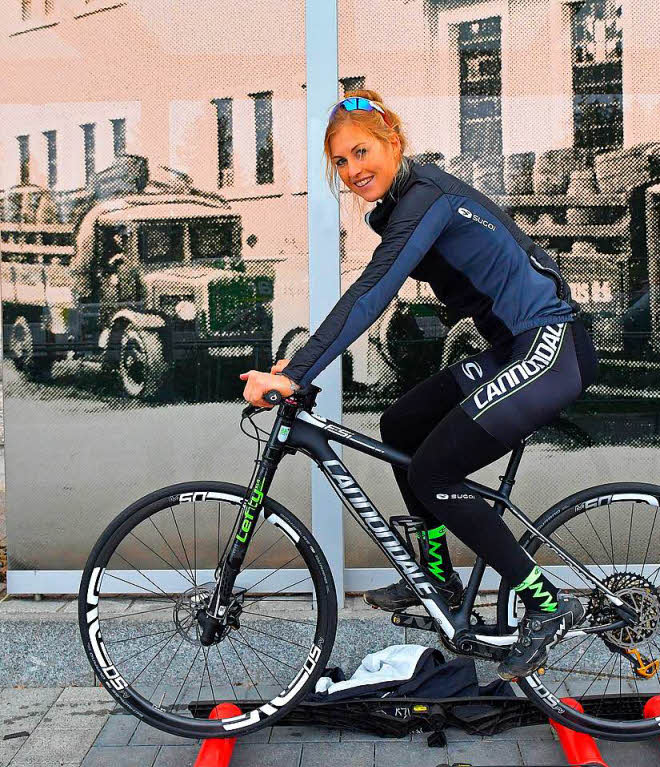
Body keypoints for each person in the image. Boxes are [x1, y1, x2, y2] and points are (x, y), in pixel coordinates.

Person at [240, 90, 598, 680]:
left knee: (435, 473)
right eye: (340, 163)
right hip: (513, 348)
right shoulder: (406, 204)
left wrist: (293, 372)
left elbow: (371, 293)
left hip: (551, 345)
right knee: (401, 424)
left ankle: (546, 603)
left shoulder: (427, 196)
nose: (353, 171)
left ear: (393, 142)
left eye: (361, 152)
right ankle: (436, 574)